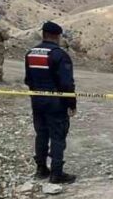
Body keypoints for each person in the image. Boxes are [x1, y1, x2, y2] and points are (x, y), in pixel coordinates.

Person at [24, 21, 77, 184]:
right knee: (57, 136)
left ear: (43, 34)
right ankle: (56, 173)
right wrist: (71, 103)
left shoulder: (31, 53)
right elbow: (66, 84)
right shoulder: (59, 55)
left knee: (41, 134)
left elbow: (28, 80)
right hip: (55, 102)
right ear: (57, 36)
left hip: (37, 99)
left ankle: (41, 169)